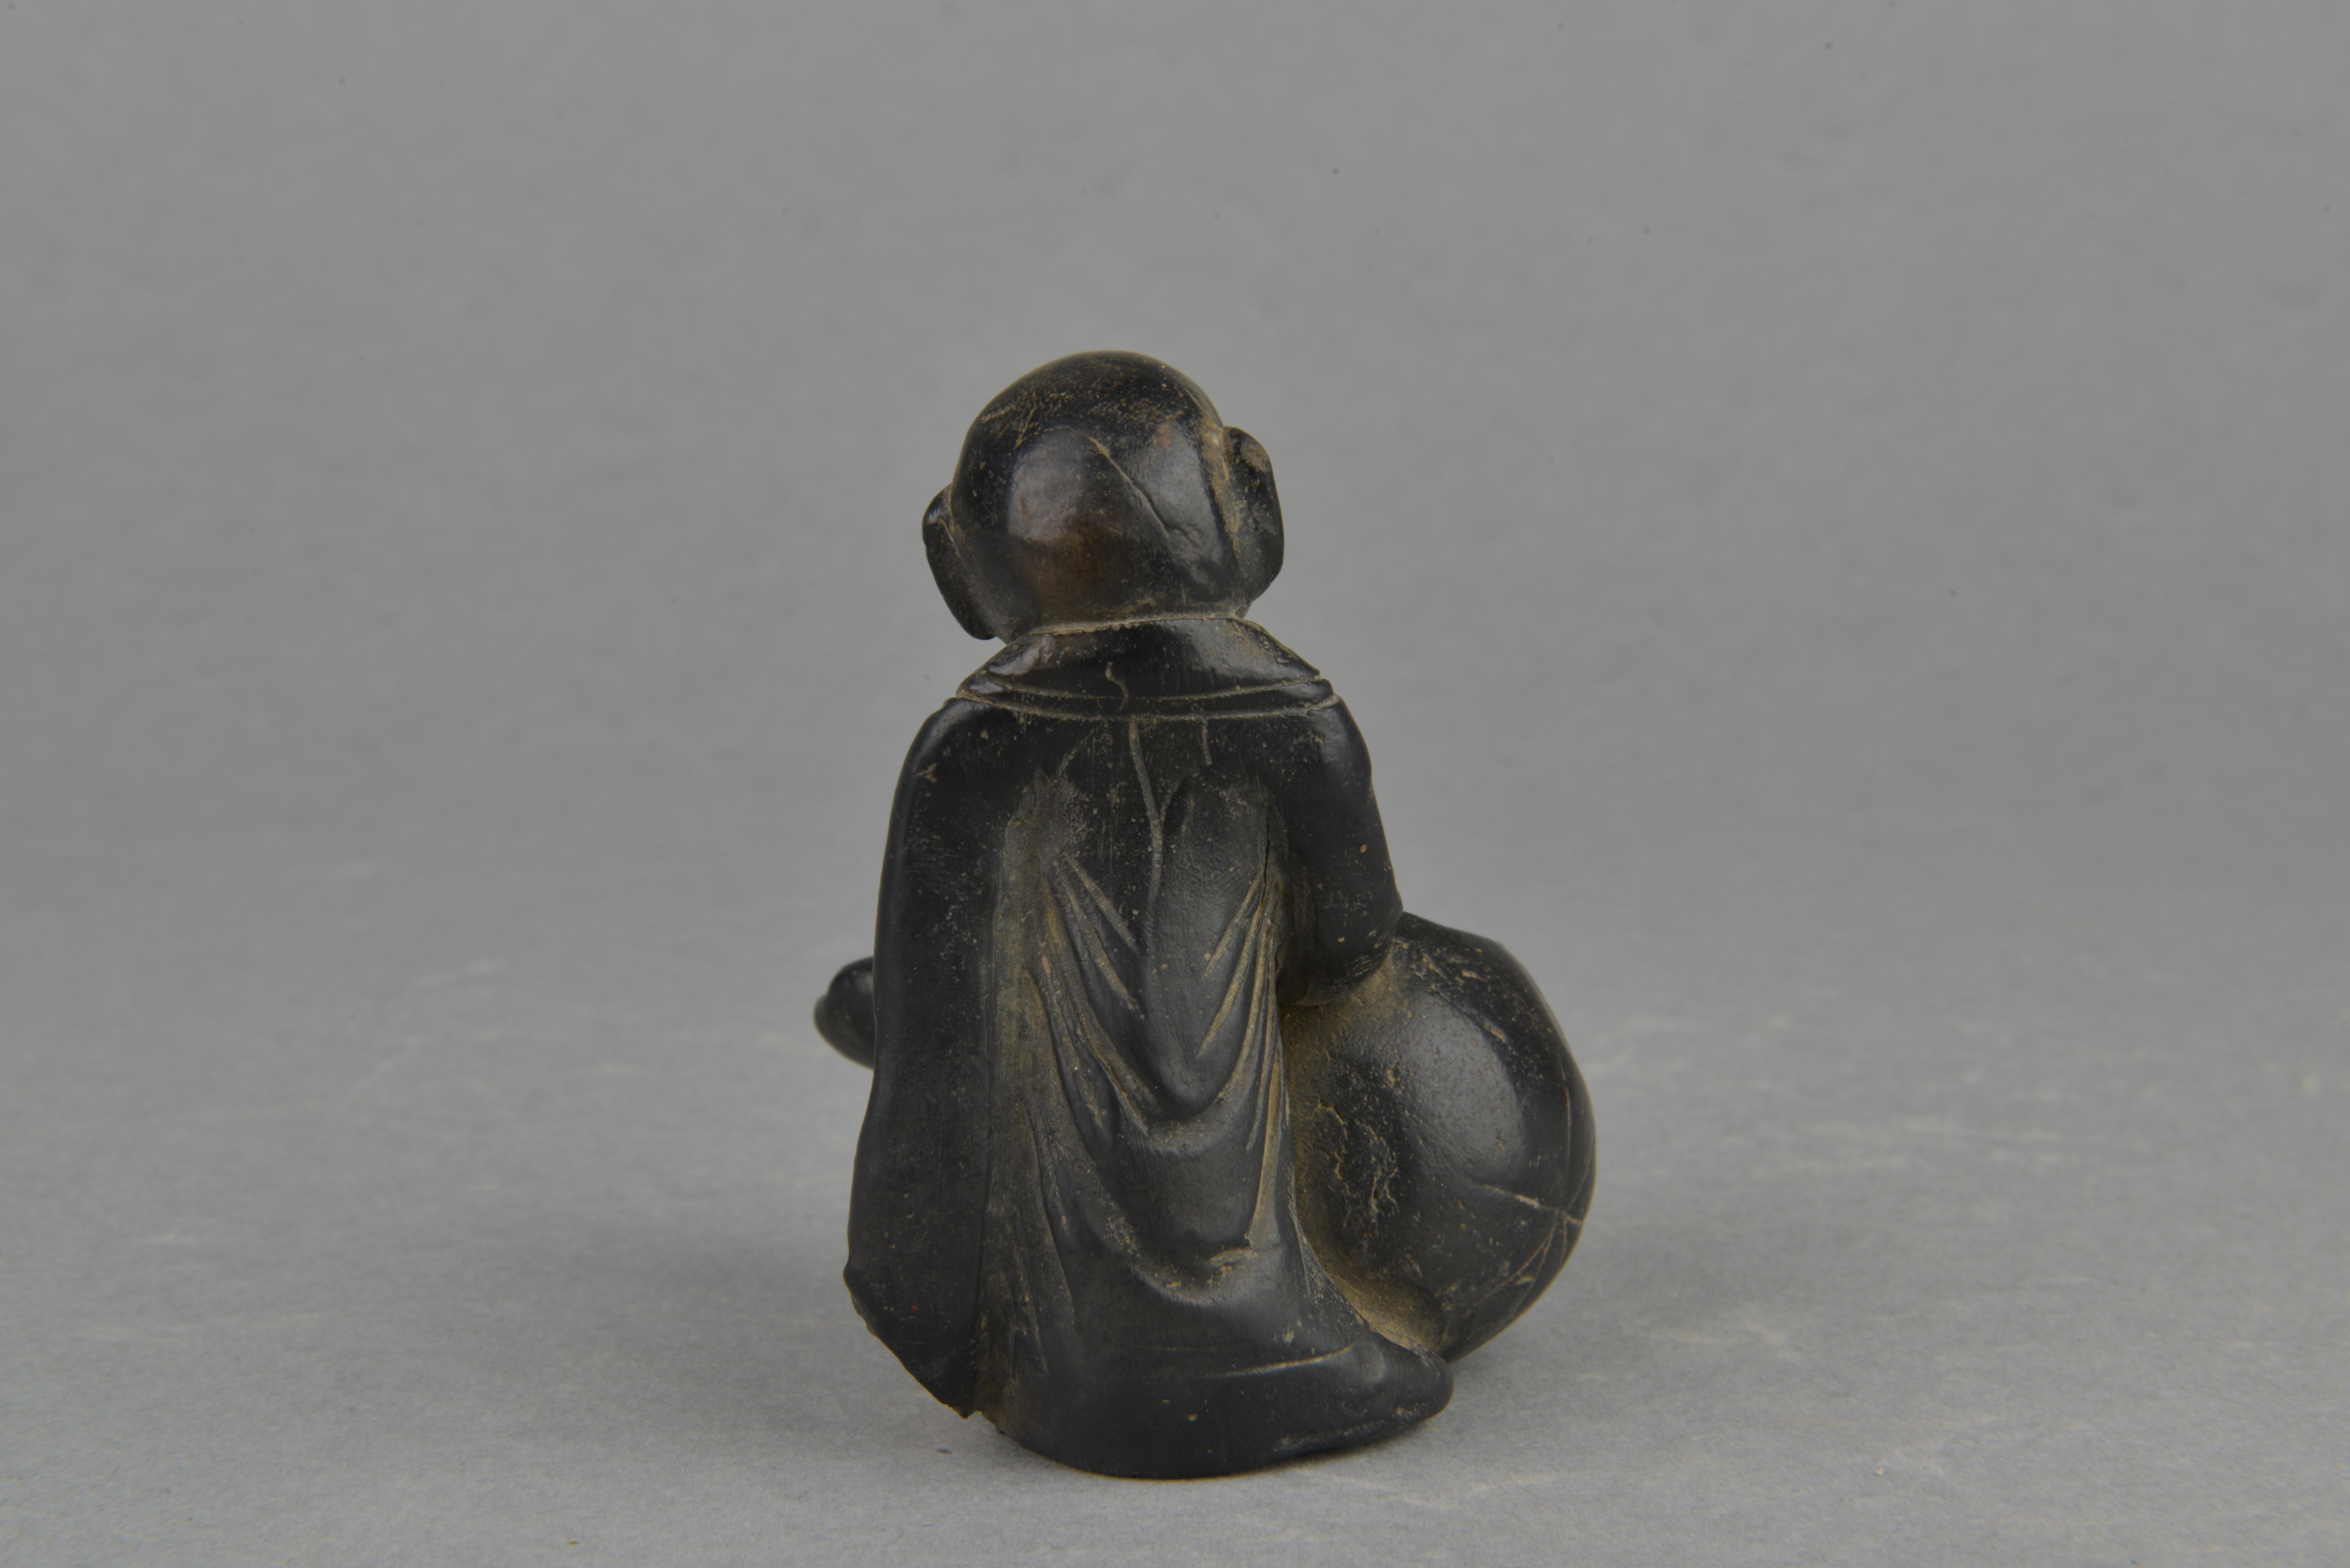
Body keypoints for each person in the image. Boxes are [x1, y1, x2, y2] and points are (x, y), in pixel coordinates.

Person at [818, 352, 1590, 1477]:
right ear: (1248, 512)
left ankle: (1071, 1373)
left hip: (1052, 1353)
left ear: (956, 559)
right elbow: (1351, 950)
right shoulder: (1295, 718)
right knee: (1231, 1188)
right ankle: (1262, 1359)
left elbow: (938, 1004)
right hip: (1244, 1203)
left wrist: (882, 1011)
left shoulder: (969, 749)